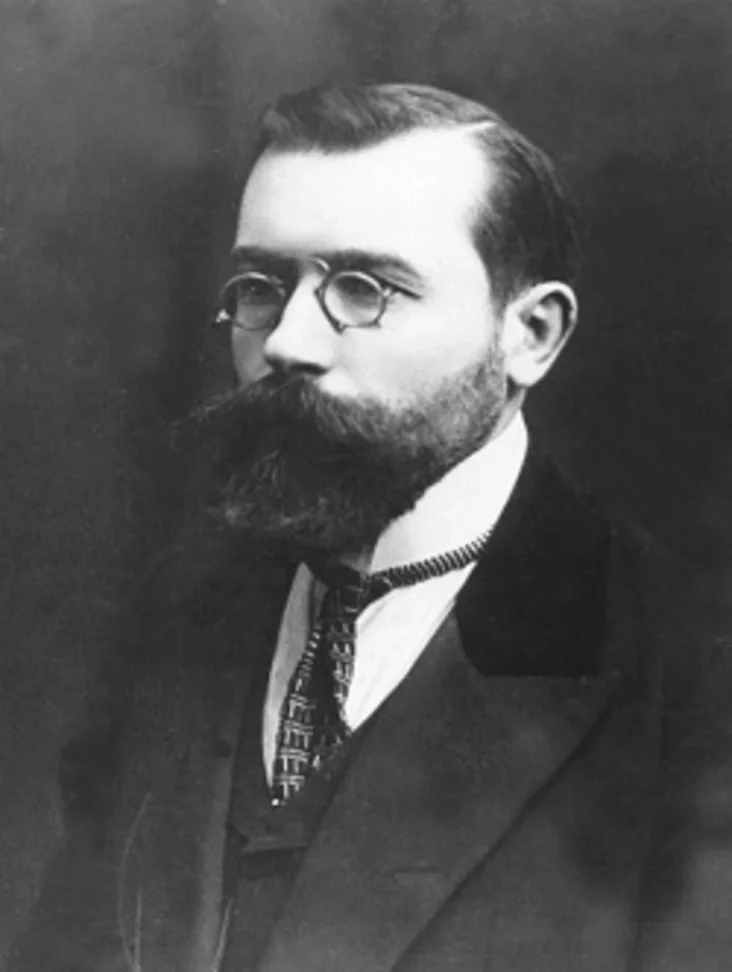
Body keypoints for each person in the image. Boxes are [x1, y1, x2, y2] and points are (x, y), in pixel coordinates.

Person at [11, 83, 732, 972]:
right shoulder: (183, 607)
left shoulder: (690, 677)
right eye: (262, 286)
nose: (288, 343)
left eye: (365, 289)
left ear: (532, 334)